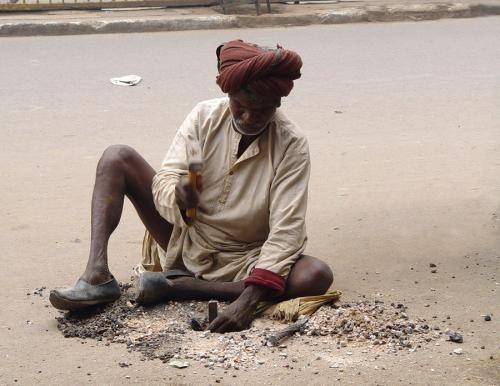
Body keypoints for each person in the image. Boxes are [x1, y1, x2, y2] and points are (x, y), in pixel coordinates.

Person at [50, 40, 333, 333]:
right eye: (240, 106)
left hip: (246, 256)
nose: (248, 117)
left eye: (261, 110)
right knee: (116, 157)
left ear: (277, 103)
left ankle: (182, 287)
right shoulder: (204, 118)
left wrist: (248, 302)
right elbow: (172, 175)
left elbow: (287, 229)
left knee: (315, 275)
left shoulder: (291, 144)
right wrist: (179, 195)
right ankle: (97, 276)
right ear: (226, 93)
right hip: (186, 236)